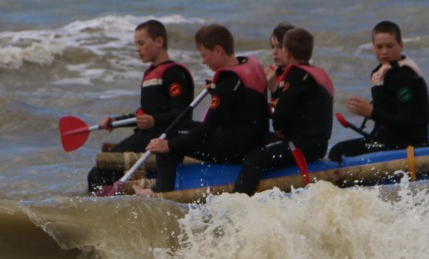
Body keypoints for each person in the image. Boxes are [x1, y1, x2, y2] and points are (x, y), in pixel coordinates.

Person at [136, 24, 269, 194]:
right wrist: (216, 91)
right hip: (253, 139)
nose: (203, 61)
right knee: (181, 127)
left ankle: (161, 189)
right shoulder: (248, 64)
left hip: (235, 150)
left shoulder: (227, 85)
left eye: (204, 55)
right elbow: (242, 104)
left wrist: (169, 145)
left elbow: (206, 131)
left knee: (168, 135)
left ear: (218, 51)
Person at [85, 20, 195, 192]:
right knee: (96, 173)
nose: (138, 49)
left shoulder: (174, 73)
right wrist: (115, 121)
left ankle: (103, 201)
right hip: (146, 136)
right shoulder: (150, 73)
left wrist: (154, 121)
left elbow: (182, 114)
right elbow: (145, 116)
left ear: (159, 41)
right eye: (136, 44)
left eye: (141, 43)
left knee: (96, 175)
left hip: (162, 138)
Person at [233, 27, 334, 194]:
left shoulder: (296, 76)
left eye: (280, 47)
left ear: (287, 53)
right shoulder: (312, 73)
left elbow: (280, 116)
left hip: (302, 147)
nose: (275, 52)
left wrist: (279, 127)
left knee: (253, 159)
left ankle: (237, 202)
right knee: (256, 141)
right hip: (314, 144)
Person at [329, 20, 429, 162]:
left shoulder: (405, 77)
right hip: (386, 140)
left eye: (389, 46)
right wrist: (368, 111)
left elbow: (407, 122)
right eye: (379, 47)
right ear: (373, 48)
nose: (384, 51)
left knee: (338, 151)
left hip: (407, 144)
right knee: (340, 149)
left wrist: (371, 112)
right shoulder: (380, 73)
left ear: (400, 45)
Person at [264, 21, 296, 87]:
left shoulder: (299, 76)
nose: (274, 52)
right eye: (273, 47)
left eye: (280, 47)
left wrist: (273, 87)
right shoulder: (273, 72)